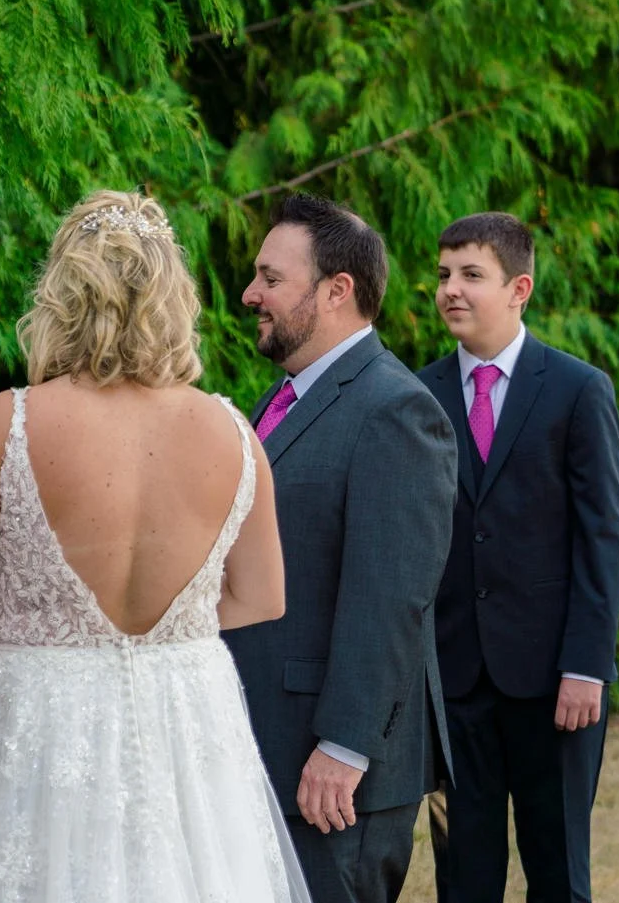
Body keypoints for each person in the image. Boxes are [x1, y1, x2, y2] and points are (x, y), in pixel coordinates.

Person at [0, 190, 310, 903]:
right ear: (174, 298)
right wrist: (171, 630)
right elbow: (262, 595)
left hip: (42, 720)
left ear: (62, 293)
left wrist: (32, 614)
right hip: (187, 715)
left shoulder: (7, 424)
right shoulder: (232, 432)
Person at [223, 194, 457, 903]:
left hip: (332, 771)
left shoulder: (395, 408)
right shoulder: (280, 399)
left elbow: (393, 597)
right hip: (266, 740)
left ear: (337, 290)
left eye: (270, 277)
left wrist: (345, 745)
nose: (250, 293)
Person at [416, 212, 619, 903]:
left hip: (553, 683)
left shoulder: (576, 389)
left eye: (471, 274)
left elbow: (603, 536)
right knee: (463, 876)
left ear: (519, 287)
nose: (451, 288)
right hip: (455, 679)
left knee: (558, 869)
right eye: (445, 274)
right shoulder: (418, 397)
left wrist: (587, 665)